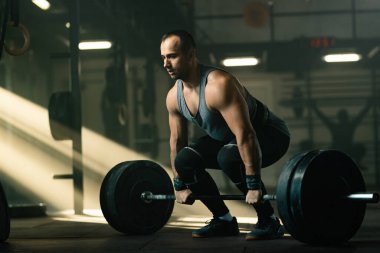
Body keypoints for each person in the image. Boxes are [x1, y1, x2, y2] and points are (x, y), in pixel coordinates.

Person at [161, 30, 290, 240]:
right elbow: (177, 141)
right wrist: (180, 184)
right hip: (229, 140)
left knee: (228, 156)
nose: (166, 64)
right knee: (184, 160)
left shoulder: (219, 85)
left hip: (269, 134)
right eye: (164, 57)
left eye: (172, 56)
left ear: (191, 55)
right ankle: (224, 220)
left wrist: (254, 185)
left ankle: (269, 221)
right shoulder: (173, 97)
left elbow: (246, 134)